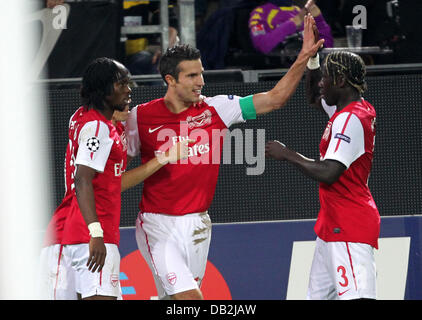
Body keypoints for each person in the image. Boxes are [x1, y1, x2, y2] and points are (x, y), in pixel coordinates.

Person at [125, 14, 324, 300]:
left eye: (201, 73)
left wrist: (304, 56)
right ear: (170, 79)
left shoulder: (218, 109)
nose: (201, 81)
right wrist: (160, 160)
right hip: (157, 225)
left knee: (174, 300)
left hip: (199, 226)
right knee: (191, 298)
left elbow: (275, 98)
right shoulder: (139, 117)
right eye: (192, 76)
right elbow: (116, 171)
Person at [39, 57, 190, 300]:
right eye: (121, 84)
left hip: (64, 234)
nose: (129, 90)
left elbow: (111, 179)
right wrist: (95, 232)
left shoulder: (81, 117)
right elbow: (83, 180)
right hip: (88, 235)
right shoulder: (99, 129)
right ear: (103, 90)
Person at [265, 50, 380, 300]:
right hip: (331, 227)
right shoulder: (350, 109)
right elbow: (315, 98)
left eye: (325, 77)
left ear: (339, 81)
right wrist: (314, 59)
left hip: (350, 226)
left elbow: (329, 172)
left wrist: (287, 154)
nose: (320, 82)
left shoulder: (350, 120)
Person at [249, 0, 333, 55]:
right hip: (277, 73)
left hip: (308, 70)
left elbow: (326, 48)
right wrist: (293, 24)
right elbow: (262, 45)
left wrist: (319, 21)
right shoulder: (259, 13)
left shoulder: (299, 11)